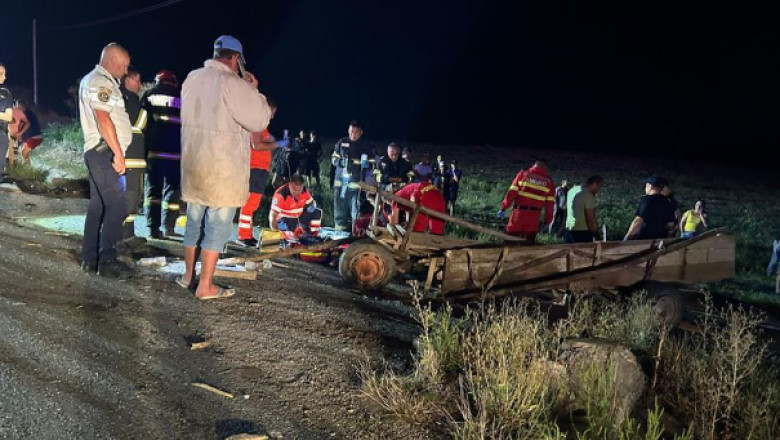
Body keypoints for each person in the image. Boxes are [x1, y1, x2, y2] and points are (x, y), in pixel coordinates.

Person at [178, 35, 272, 300]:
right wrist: (253, 89)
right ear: (236, 59)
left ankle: (188, 276)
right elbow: (258, 119)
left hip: (194, 162)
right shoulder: (232, 83)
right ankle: (205, 285)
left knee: (194, 221)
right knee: (218, 226)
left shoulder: (192, 78)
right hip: (221, 167)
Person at [78, 43, 134, 277]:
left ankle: (90, 258)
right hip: (105, 152)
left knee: (98, 206)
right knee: (118, 206)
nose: (125, 71)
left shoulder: (96, 80)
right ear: (113, 61)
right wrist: (118, 154)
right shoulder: (101, 81)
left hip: (98, 152)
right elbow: (103, 119)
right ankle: (107, 261)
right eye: (124, 66)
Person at [237, 98, 289, 247]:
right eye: (271, 113)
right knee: (251, 202)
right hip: (255, 168)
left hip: (259, 169)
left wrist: (281, 142)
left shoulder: (262, 127)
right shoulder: (256, 125)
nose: (272, 117)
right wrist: (279, 143)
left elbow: (269, 141)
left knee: (252, 202)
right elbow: (257, 145)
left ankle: (246, 234)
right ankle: (243, 235)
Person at [141, 69, 183, 239]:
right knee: (172, 192)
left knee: (153, 192)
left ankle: (153, 228)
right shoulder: (183, 97)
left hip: (155, 152)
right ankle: (169, 227)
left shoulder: (149, 95)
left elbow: (142, 124)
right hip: (176, 154)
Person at [119, 66, 147, 245]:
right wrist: (146, 109)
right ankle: (123, 236)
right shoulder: (131, 100)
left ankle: (126, 234)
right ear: (127, 80)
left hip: (129, 157)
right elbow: (141, 123)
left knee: (130, 197)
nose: (139, 84)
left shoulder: (122, 98)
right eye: (137, 80)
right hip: (132, 158)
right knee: (131, 197)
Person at [497, 161, 555, 242]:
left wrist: (503, 208)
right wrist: (547, 221)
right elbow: (550, 205)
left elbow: (511, 193)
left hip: (519, 213)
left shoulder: (523, 174)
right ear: (545, 168)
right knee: (528, 243)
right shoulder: (549, 182)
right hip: (534, 216)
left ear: (533, 166)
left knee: (510, 241)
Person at [331, 120, 371, 231]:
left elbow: (372, 162)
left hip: (355, 186)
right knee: (339, 211)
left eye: (356, 132)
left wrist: (365, 163)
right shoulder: (341, 142)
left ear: (361, 132)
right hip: (340, 184)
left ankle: (355, 234)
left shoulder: (365, 146)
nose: (353, 134)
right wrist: (340, 162)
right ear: (348, 130)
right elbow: (334, 158)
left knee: (355, 212)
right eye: (351, 131)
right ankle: (339, 233)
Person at [269, 173, 322, 243]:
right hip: (283, 221)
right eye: (294, 190)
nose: (297, 193)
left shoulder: (305, 191)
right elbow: (272, 218)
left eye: (299, 190)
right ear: (289, 185)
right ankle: (293, 235)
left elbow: (311, 203)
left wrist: (311, 206)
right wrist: (276, 234)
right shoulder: (280, 195)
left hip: (298, 218)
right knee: (292, 229)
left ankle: (313, 234)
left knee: (317, 212)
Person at [624, 175, 676, 241]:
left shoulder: (647, 200)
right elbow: (670, 225)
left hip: (643, 240)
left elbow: (638, 221)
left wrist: (627, 237)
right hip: (659, 241)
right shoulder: (669, 203)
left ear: (650, 186)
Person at [563, 176, 604, 243]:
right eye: (599, 187)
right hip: (582, 232)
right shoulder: (588, 196)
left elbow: (566, 209)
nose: (598, 190)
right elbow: (590, 219)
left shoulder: (571, 191)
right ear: (595, 184)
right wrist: (597, 236)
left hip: (568, 230)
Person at [0, 62, 14, 178]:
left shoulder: (6, 92)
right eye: (2, 74)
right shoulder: (6, 92)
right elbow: (8, 116)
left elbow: (9, 117)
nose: (5, 77)